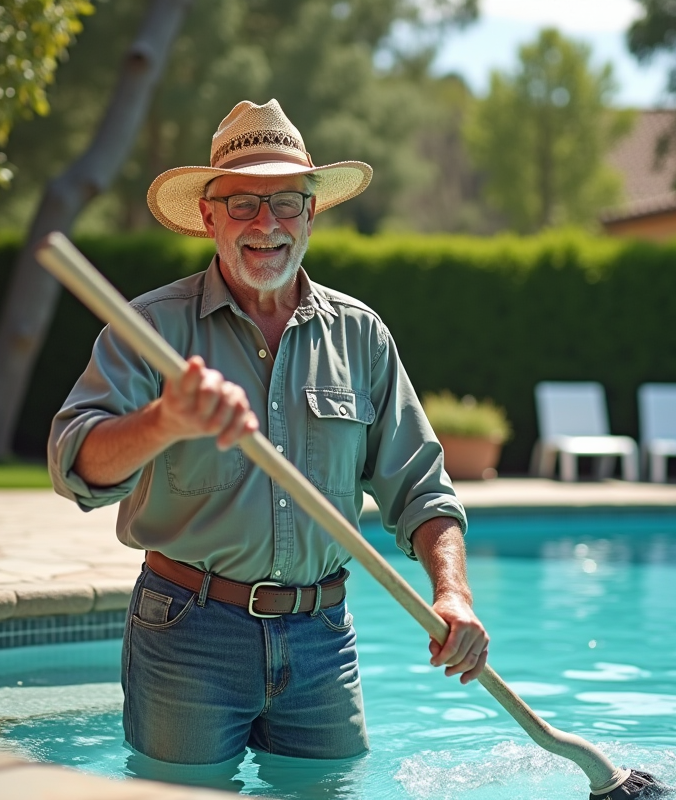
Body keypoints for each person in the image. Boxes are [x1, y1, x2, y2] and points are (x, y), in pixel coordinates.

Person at [48, 99, 488, 769]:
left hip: (322, 640)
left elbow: (422, 489)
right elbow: (76, 467)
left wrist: (452, 592)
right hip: (188, 632)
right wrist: (166, 421)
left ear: (311, 212)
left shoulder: (360, 336)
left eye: (285, 203)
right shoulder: (150, 331)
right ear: (209, 215)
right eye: (243, 204)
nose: (266, 225)